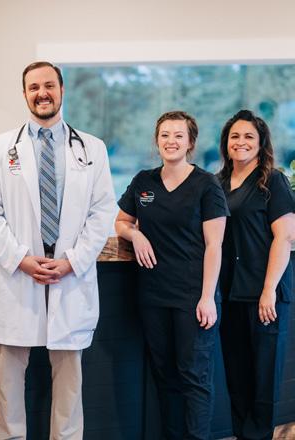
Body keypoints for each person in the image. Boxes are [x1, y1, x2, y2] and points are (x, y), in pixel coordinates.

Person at [0, 61, 116, 440]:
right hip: (19, 275)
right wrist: (19, 259)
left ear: (62, 89)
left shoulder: (92, 148)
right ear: (24, 94)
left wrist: (73, 261)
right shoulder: (1, 148)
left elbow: (103, 211)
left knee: (69, 379)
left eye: (49, 85)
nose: (42, 93)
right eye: (34, 87)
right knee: (9, 377)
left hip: (70, 276)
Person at [115, 111, 229, 439]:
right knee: (165, 377)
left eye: (179, 135)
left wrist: (207, 298)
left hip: (193, 297)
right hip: (153, 296)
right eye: (165, 135)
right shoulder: (144, 182)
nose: (171, 141)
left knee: (194, 377)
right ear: (157, 141)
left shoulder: (206, 185)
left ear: (190, 142)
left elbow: (215, 245)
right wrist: (135, 234)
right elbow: (121, 221)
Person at [217, 109, 295, 440]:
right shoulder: (217, 184)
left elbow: (285, 237)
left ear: (261, 143)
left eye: (249, 136)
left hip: (265, 297)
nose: (241, 142)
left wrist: (268, 291)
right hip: (229, 294)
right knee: (237, 380)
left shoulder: (272, 181)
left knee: (263, 382)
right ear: (226, 143)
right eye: (234, 136)